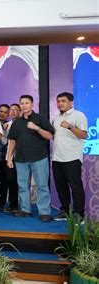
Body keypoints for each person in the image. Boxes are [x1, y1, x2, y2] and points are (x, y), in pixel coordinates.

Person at [7, 95, 54, 222]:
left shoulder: (40, 119)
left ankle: (44, 211)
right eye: (21, 103)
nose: (24, 105)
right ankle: (25, 209)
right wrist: (9, 158)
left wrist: (37, 128)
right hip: (20, 158)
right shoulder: (16, 122)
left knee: (42, 185)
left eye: (26, 103)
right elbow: (12, 141)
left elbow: (50, 136)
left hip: (39, 157)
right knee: (22, 185)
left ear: (32, 104)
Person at [52, 92, 88, 221]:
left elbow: (84, 135)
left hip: (72, 157)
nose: (60, 103)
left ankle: (79, 214)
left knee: (75, 186)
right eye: (58, 101)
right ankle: (65, 211)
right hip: (57, 158)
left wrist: (70, 126)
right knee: (61, 187)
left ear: (71, 102)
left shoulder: (78, 115)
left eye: (63, 101)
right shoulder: (56, 118)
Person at [2, 104, 20, 212]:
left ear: (20, 111)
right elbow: (5, 141)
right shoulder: (7, 125)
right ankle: (13, 204)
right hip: (9, 157)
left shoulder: (23, 123)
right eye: (11, 110)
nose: (13, 112)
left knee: (18, 181)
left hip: (21, 157)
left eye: (16, 110)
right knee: (10, 180)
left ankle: (18, 205)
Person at [0, 104, 10, 210]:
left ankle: (2, 201)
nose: (2, 114)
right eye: (1, 111)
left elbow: (6, 142)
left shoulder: (9, 125)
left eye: (5, 112)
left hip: (3, 157)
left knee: (4, 180)